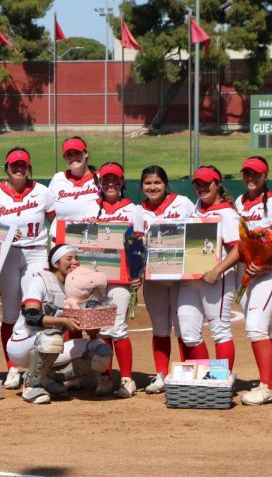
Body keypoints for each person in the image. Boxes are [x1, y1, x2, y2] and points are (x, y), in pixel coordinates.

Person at [6, 245, 113, 404]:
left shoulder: (79, 290)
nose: (74, 262)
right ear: (56, 264)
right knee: (52, 337)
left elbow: (91, 332)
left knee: (100, 350)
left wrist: (95, 318)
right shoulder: (41, 280)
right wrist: (63, 321)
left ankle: (49, 380)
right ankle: (31, 385)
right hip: (22, 344)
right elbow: (31, 316)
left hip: (48, 345)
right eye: (69, 259)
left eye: (76, 258)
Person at [0, 147, 54, 390]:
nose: (19, 168)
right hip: (7, 256)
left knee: (36, 308)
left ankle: (38, 367)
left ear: (29, 166)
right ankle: (12, 367)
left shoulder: (43, 192)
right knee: (10, 312)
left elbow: (56, 222)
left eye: (23, 164)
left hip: (36, 254)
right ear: (7, 167)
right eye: (14, 164)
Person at [130, 165, 195, 394]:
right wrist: (135, 274)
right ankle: (161, 375)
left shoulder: (183, 202)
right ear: (142, 186)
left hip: (181, 276)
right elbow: (135, 247)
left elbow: (198, 231)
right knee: (159, 328)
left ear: (165, 184)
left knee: (184, 328)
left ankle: (188, 373)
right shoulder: (138, 211)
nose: (152, 187)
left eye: (157, 182)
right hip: (154, 277)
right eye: (147, 183)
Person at [235, 156, 272, 406]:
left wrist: (267, 264)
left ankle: (267, 387)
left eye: (256, 174)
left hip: (269, 273)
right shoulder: (240, 202)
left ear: (265, 176)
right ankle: (266, 381)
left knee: (256, 326)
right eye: (247, 173)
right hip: (247, 274)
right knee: (260, 328)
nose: (250, 178)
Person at [176, 166, 241, 369]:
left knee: (220, 331)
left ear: (217, 184)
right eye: (198, 184)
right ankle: (203, 378)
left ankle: (220, 381)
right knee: (188, 333)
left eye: (207, 183)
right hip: (191, 279)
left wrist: (217, 271)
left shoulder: (228, 214)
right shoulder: (196, 209)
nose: (202, 188)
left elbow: (239, 249)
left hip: (217, 279)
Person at [93, 162, 138, 398]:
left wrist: (138, 273)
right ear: (100, 184)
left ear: (122, 183)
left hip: (121, 278)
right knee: (102, 329)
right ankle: (105, 378)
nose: (111, 184)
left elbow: (140, 245)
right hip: (96, 278)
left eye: (115, 180)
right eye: (106, 180)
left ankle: (127, 379)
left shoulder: (133, 209)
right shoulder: (91, 207)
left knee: (118, 327)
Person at [48, 136, 100, 239]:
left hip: (92, 239)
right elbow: (49, 211)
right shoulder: (58, 179)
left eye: (77, 152)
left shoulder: (101, 178)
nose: (73, 157)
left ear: (86, 153)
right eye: (68, 154)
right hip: (62, 242)